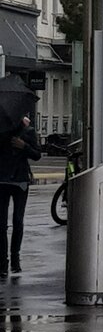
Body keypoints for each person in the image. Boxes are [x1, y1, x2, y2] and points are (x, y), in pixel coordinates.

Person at [0, 114, 40, 277]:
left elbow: (37, 155)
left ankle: (15, 258)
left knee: (18, 220)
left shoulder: (28, 131)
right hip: (2, 180)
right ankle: (3, 262)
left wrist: (23, 146)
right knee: (1, 224)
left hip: (20, 181)